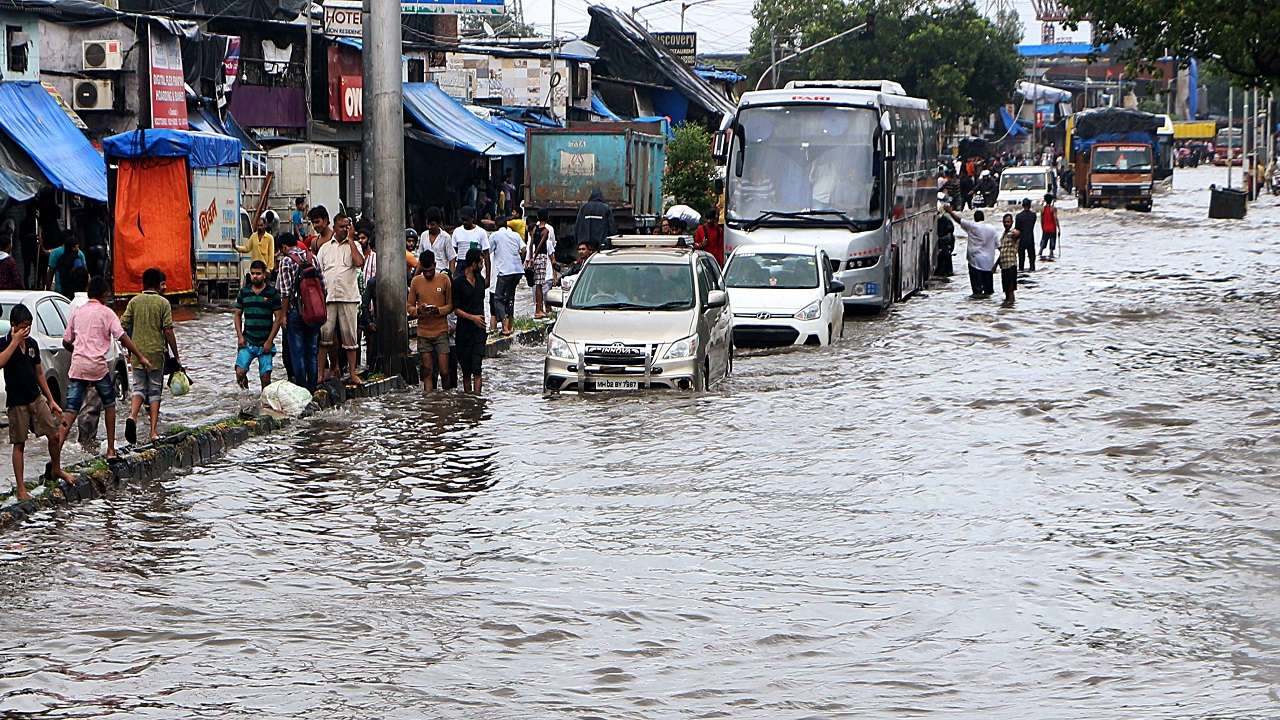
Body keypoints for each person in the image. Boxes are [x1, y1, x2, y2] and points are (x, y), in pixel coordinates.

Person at [61, 277, 151, 459]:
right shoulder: (107, 313)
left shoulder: (78, 312)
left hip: (78, 366)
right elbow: (122, 337)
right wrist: (139, 356)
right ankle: (111, 450)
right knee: (109, 404)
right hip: (97, 367)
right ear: (104, 294)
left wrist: (79, 351)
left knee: (71, 410)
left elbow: (66, 341)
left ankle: (56, 454)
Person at [121, 268, 178, 444]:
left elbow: (123, 325)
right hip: (156, 354)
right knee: (154, 392)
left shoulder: (134, 302)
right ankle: (153, 432)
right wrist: (176, 355)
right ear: (158, 285)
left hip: (137, 353)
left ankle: (132, 415)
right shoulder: (163, 304)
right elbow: (168, 331)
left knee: (138, 388)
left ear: (143, 284)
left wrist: (129, 348)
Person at [315, 213, 363, 385]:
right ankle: (320, 374)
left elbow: (359, 262)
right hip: (328, 298)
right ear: (334, 228)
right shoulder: (324, 249)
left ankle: (352, 372)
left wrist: (350, 241)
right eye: (341, 226)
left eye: (347, 226)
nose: (345, 229)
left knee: (350, 338)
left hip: (348, 297)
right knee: (324, 336)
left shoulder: (355, 245)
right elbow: (318, 272)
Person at [276, 232, 323, 391]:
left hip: (295, 311)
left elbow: (285, 292)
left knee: (297, 352)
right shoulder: (312, 257)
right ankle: (313, 388)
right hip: (314, 311)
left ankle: (302, 389)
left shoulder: (286, 261)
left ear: (283, 247)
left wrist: (283, 315)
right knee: (312, 350)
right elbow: (322, 286)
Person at [407, 250, 453, 392]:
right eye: (425, 271)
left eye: (430, 270)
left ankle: (446, 399)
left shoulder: (444, 280)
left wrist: (438, 311)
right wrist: (418, 311)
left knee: (444, 371)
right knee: (427, 371)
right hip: (423, 333)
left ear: (435, 264)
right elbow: (409, 306)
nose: (427, 274)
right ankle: (428, 402)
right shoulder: (416, 282)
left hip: (441, 331)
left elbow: (451, 306)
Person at [234, 260, 284, 389]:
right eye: (252, 273)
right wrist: (240, 336)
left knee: (265, 377)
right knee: (240, 372)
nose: (255, 276)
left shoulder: (272, 293)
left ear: (264, 275)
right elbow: (237, 315)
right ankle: (245, 396)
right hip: (248, 341)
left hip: (265, 343)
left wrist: (270, 341)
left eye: (258, 273)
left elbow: (278, 318)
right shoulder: (244, 292)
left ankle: (265, 402)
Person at [452, 247, 487, 394]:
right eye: (480, 263)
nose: (482, 266)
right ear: (473, 264)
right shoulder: (459, 283)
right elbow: (456, 309)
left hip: (479, 332)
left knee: (477, 368)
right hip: (464, 332)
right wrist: (472, 318)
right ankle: (468, 399)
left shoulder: (481, 281)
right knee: (466, 370)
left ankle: (477, 399)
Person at [945, 206, 999, 300]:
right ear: (983, 218)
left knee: (977, 292)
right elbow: (999, 247)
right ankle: (988, 307)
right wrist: (997, 264)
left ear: (975, 218)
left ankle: (977, 309)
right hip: (989, 264)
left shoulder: (972, 226)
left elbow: (959, 220)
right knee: (989, 291)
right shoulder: (992, 229)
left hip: (975, 263)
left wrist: (950, 211)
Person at [489, 219, 524, 336]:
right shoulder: (515, 235)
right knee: (510, 298)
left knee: (498, 298)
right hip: (517, 270)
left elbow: (487, 250)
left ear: (496, 225)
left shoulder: (495, 235)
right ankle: (510, 326)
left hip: (504, 271)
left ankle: (504, 328)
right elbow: (523, 249)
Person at [526, 209, 556, 318]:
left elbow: (531, 244)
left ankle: (539, 309)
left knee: (537, 284)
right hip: (541, 257)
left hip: (535, 257)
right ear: (547, 218)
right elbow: (540, 244)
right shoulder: (546, 231)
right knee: (539, 284)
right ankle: (538, 310)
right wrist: (534, 256)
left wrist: (530, 258)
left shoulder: (534, 229)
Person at [451, 211, 491, 284]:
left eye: (466, 220)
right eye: (463, 220)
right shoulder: (457, 231)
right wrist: (453, 272)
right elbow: (452, 254)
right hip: (460, 265)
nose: (464, 222)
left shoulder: (481, 232)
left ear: (472, 219)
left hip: (474, 265)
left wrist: (488, 277)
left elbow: (486, 255)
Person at [47, 232, 86, 298]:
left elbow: (51, 272)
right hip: (77, 292)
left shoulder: (55, 253)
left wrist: (48, 289)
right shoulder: (79, 254)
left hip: (60, 290)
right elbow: (84, 273)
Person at [419, 207, 455, 275]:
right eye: (428, 224)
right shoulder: (423, 235)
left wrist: (451, 277)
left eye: (432, 224)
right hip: (426, 274)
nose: (429, 227)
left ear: (439, 224)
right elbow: (420, 259)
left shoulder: (446, 237)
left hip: (441, 273)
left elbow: (452, 258)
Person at [996, 215, 1020, 308]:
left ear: (1012, 222)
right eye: (1005, 222)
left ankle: (1011, 309)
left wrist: (1017, 232)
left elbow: (1018, 234)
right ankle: (1008, 309)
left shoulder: (1012, 233)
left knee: (1010, 291)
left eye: (1008, 222)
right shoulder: (1003, 235)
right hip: (1004, 266)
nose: (1006, 224)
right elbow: (1002, 252)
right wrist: (995, 265)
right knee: (1006, 291)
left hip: (1011, 265)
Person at [1014, 198, 1038, 273]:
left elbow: (1017, 229)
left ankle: (1021, 274)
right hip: (1030, 239)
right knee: (1032, 261)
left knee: (1021, 261)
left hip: (1021, 240)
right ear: (1030, 205)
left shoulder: (1018, 216)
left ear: (1022, 205)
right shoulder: (1033, 215)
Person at [935, 204, 955, 278]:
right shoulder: (942, 219)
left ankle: (947, 271)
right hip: (943, 242)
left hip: (945, 243)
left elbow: (950, 233)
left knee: (946, 255)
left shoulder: (945, 220)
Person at [1039, 194, 1059, 261]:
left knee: (1043, 243)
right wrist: (1059, 228)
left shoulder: (1042, 209)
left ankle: (1040, 253)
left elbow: (1041, 220)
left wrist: (1042, 227)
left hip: (1045, 228)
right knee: (1052, 244)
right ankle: (1051, 254)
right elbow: (1055, 219)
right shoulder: (1053, 209)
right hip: (1052, 228)